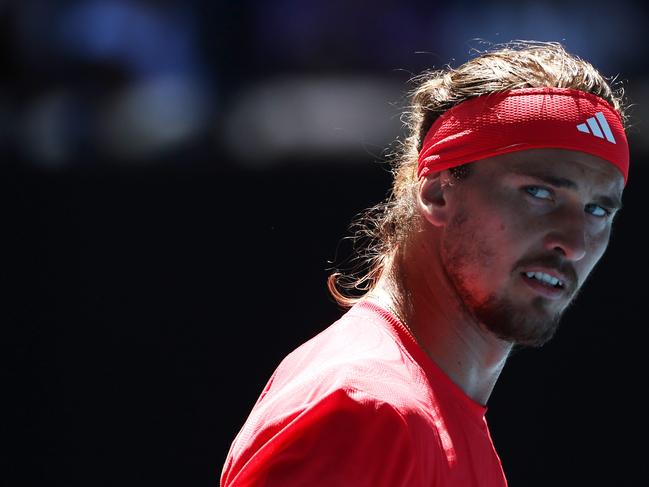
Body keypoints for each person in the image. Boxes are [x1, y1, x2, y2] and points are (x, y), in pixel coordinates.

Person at [220, 41, 630, 486]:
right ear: (437, 191)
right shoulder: (366, 411)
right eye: (539, 193)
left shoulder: (422, 415)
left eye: (597, 211)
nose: (573, 242)